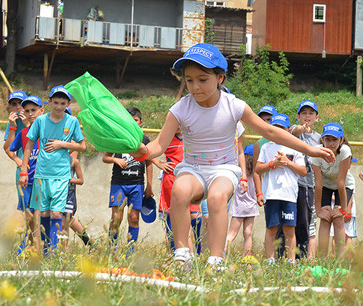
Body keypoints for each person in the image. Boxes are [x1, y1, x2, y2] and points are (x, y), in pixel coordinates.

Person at [128, 43, 335, 266]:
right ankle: (182, 255)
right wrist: (143, 151)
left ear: (220, 78)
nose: (195, 86)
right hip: (192, 168)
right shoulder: (180, 108)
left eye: (202, 79)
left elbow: (269, 131)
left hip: (224, 169)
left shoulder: (233, 105)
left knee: (217, 197)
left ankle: (216, 260)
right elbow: (159, 144)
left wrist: (311, 149)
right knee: (179, 190)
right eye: (189, 80)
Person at [19, 85, 86, 255]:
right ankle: (44, 250)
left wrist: (62, 144)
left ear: (68, 104)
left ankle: (54, 252)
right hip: (42, 174)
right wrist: (24, 170)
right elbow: (29, 144)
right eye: (55, 102)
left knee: (57, 213)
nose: (58, 106)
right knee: (43, 212)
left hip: (62, 175)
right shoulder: (41, 121)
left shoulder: (72, 122)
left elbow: (82, 146)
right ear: (49, 102)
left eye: (62, 103)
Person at [256, 113, 307, 263]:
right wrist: (273, 164)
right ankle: (270, 261)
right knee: (271, 228)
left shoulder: (295, 146)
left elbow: (303, 172)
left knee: (289, 229)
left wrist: (287, 162)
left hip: (289, 194)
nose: (278, 131)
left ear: (288, 129)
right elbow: (258, 169)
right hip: (271, 194)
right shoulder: (266, 147)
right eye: (275, 128)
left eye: (282, 128)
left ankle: (291, 261)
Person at [102, 107, 153, 253]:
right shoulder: (117, 138)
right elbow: (105, 157)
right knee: (117, 218)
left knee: (134, 218)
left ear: (140, 122)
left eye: (135, 120)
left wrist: (149, 185)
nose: (132, 122)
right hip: (119, 184)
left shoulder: (145, 139)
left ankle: (131, 251)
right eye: (129, 120)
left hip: (137, 184)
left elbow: (149, 162)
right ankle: (112, 250)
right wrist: (115, 160)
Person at [275, 100, 321, 259]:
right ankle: (281, 258)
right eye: (304, 113)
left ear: (317, 117)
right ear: (298, 117)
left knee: (303, 224)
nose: (307, 116)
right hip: (289, 185)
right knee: (284, 224)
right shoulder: (294, 131)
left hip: (307, 186)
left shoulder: (320, 139)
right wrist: (301, 129)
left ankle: (300, 260)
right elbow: (293, 131)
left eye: (311, 113)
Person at [312, 123, 355, 258]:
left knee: (338, 218)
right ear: (322, 140)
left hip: (343, 185)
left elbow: (341, 182)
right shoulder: (316, 152)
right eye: (327, 139)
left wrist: (343, 209)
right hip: (325, 185)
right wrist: (318, 210)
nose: (331, 143)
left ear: (341, 140)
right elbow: (318, 183)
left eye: (335, 140)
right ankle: (322, 259)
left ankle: (340, 259)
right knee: (325, 219)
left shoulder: (345, 152)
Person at [8, 95, 44, 254]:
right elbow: (8, 148)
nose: (30, 113)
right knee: (29, 217)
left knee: (41, 216)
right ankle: (30, 247)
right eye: (27, 110)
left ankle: (39, 249)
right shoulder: (24, 132)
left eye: (34, 110)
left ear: (42, 111)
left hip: (43, 179)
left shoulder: (48, 130)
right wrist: (20, 162)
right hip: (27, 179)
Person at [158, 132, 202, 255]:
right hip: (170, 183)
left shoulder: (193, 137)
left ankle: (198, 253)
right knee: (174, 220)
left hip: (190, 182)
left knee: (195, 218)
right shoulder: (167, 138)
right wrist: (159, 163)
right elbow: (149, 149)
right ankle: (178, 254)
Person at [226, 144, 259, 256]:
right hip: (252, 206)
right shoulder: (257, 173)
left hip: (239, 206)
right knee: (248, 234)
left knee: (232, 234)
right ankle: (246, 259)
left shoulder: (240, 172)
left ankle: (222, 254)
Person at [2, 91, 28, 218]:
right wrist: (17, 159)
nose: (18, 107)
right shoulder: (12, 123)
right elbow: (7, 148)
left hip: (39, 167)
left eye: (21, 104)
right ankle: (27, 237)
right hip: (23, 169)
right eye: (14, 104)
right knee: (26, 208)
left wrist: (27, 124)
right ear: (10, 108)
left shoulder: (37, 120)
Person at [60, 154, 91, 247]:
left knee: (65, 220)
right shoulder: (55, 160)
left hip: (69, 194)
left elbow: (80, 180)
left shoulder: (74, 161)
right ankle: (88, 242)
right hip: (57, 192)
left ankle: (63, 251)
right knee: (65, 220)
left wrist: (69, 180)